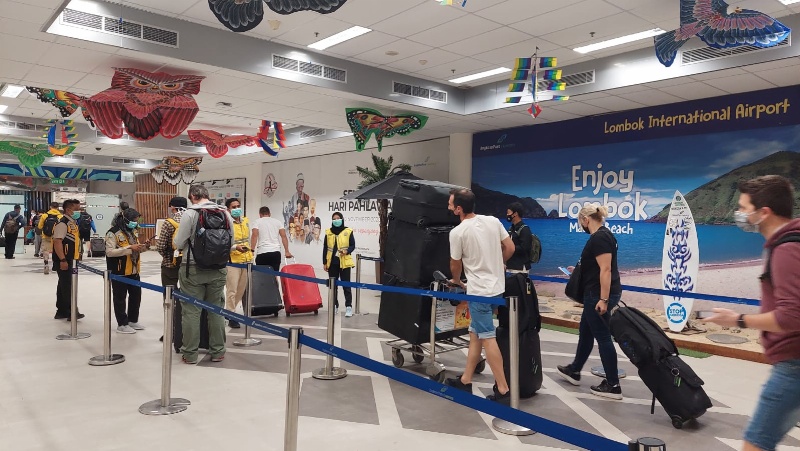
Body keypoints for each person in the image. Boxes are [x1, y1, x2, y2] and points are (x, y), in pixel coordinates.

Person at [706, 175, 800, 451]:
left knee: (756, 444)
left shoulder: (786, 249)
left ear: (764, 213)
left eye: (744, 208)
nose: (740, 215)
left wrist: (737, 319)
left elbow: (791, 316)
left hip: (794, 364)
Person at [444, 189, 514, 404]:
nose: (448, 205)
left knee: (487, 337)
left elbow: (455, 264)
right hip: (496, 287)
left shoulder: (458, 232)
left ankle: (503, 389)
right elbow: (509, 247)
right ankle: (465, 381)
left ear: (459, 209)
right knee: (476, 333)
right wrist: (498, 264)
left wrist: (456, 280)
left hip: (479, 291)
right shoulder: (493, 221)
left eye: (450, 203)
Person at [556, 205, 623, 400]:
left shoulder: (600, 238)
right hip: (595, 293)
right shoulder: (603, 236)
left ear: (586, 219)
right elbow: (597, 266)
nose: (581, 226)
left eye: (580, 223)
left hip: (598, 295)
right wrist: (578, 269)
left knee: (603, 337)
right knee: (586, 331)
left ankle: (613, 384)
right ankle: (575, 370)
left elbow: (606, 270)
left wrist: (603, 299)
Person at [173, 185, 233, 364]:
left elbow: (179, 242)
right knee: (216, 310)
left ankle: (190, 354)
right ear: (207, 195)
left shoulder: (190, 214)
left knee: (191, 311)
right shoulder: (225, 213)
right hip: (218, 268)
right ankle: (218, 352)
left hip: (193, 269)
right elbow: (232, 241)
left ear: (192, 196)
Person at [105, 208, 147, 334]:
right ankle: (122, 324)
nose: (135, 222)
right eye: (134, 220)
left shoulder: (132, 231)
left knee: (136, 296)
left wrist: (144, 246)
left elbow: (136, 249)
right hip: (119, 271)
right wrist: (129, 248)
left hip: (134, 270)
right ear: (126, 219)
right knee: (120, 298)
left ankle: (132, 320)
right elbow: (109, 252)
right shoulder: (112, 233)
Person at [156, 196, 187, 343]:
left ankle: (171, 332)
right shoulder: (193, 219)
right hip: (189, 266)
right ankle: (186, 331)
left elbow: (160, 246)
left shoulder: (169, 223)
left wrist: (169, 258)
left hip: (170, 266)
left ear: (173, 208)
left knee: (169, 299)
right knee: (188, 298)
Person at [52, 199, 84, 320]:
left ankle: (61, 311)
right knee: (68, 286)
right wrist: (63, 260)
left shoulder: (73, 223)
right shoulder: (63, 223)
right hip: (65, 259)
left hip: (72, 258)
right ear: (68, 210)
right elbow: (57, 241)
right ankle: (72, 311)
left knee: (63, 285)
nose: (78, 211)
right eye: (76, 209)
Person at [225, 198, 253, 329]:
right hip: (233, 261)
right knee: (232, 290)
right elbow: (224, 243)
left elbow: (248, 238)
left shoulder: (245, 221)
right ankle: (231, 315)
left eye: (238, 206)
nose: (237, 209)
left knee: (241, 290)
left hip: (246, 259)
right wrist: (235, 247)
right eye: (233, 207)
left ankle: (229, 311)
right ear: (228, 209)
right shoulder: (226, 223)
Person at [322, 212, 356, 317]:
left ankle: (349, 307)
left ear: (342, 219)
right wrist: (324, 262)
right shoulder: (328, 232)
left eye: (338, 218)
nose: (336, 220)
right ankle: (335, 306)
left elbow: (352, 245)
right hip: (332, 263)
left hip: (344, 262)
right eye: (334, 219)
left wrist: (347, 251)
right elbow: (325, 248)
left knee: (346, 285)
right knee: (333, 286)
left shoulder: (348, 231)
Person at [251, 206, 292, 271]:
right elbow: (283, 236)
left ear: (260, 214)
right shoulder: (278, 222)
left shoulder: (257, 222)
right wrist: (287, 251)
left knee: (262, 275)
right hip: (275, 252)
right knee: (274, 275)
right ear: (270, 214)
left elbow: (254, 236)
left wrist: (252, 250)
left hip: (262, 252)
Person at [506, 202, 533, 271]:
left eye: (509, 213)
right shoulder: (511, 228)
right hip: (510, 265)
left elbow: (525, 248)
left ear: (515, 214)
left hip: (520, 267)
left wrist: (510, 247)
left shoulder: (525, 229)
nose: (507, 215)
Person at [38, 202, 63, 274]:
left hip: (46, 236)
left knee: (45, 250)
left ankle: (46, 263)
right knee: (56, 251)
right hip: (56, 237)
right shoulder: (60, 216)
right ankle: (55, 266)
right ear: (58, 207)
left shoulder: (44, 215)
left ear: (50, 207)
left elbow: (40, 226)